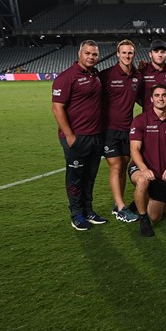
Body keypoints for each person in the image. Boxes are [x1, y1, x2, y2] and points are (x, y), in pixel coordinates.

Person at [51, 39, 107, 231]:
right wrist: (69, 136)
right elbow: (57, 108)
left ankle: (88, 211)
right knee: (75, 177)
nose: (91, 57)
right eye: (88, 53)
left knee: (90, 176)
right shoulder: (67, 76)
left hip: (96, 136)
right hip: (77, 137)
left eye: (94, 54)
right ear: (79, 54)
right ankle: (76, 214)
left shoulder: (96, 74)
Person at [128, 84, 166, 237]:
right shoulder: (140, 121)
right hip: (139, 168)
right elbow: (134, 150)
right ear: (151, 99)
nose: (161, 98)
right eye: (157, 95)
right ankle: (143, 220)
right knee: (143, 181)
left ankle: (141, 200)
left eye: (164, 95)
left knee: (156, 216)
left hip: (160, 176)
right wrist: (144, 169)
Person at [99, 39, 141, 223]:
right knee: (116, 166)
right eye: (123, 53)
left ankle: (119, 203)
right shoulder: (106, 75)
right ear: (117, 54)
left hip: (128, 129)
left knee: (123, 165)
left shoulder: (137, 76)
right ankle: (121, 207)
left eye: (130, 53)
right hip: (109, 130)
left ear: (134, 54)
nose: (127, 56)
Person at [138, 39, 166, 113]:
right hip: (148, 121)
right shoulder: (142, 72)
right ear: (150, 54)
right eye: (156, 51)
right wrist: (148, 106)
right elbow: (134, 96)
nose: (160, 55)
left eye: (162, 52)